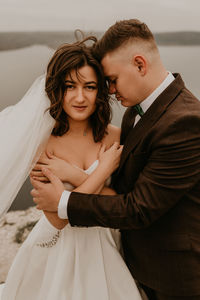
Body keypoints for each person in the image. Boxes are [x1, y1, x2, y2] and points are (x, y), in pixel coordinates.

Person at [32, 19, 200, 300]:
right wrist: (87, 175)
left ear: (139, 64)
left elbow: (138, 209)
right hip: (131, 261)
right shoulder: (134, 112)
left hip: (175, 276)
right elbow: (124, 190)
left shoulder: (186, 122)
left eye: (111, 80)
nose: (109, 90)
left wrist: (64, 197)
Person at [0, 38, 143, 300]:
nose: (80, 97)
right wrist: (102, 172)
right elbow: (57, 219)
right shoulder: (43, 143)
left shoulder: (116, 138)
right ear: (57, 90)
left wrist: (73, 176)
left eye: (89, 87)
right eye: (70, 86)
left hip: (104, 246)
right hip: (55, 250)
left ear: (100, 91)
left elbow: (123, 203)